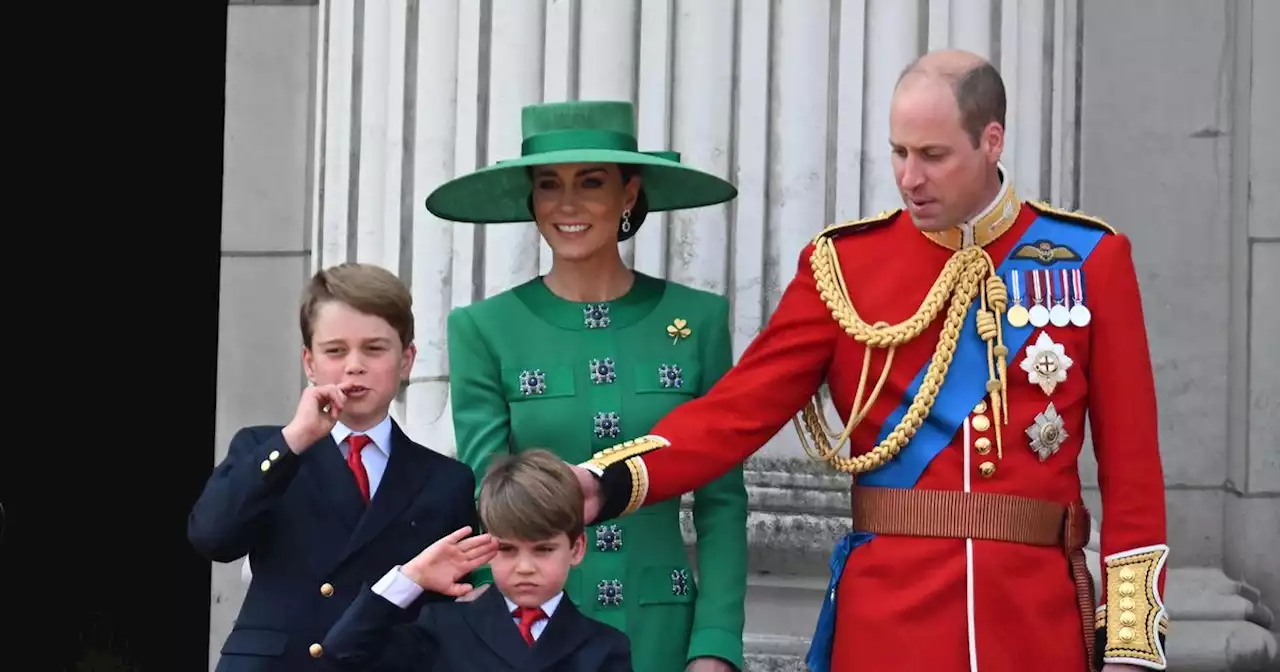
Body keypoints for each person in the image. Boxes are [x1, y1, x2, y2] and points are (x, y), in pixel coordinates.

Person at [573, 49, 1170, 672]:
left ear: (992, 141)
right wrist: (604, 479)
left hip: (1033, 623)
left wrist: (1131, 647)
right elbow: (734, 413)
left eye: (933, 156)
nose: (909, 177)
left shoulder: (1088, 259)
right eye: (898, 152)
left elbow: (1133, 473)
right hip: (888, 623)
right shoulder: (843, 267)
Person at [430, 100, 750, 672]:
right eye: (550, 185)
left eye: (592, 182)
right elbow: (488, 495)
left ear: (629, 193)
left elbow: (722, 503)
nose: (568, 204)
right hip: (534, 630)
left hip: (663, 628)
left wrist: (716, 646)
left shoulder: (697, 320)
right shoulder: (482, 329)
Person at [188, 262, 482, 671]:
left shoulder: (445, 480)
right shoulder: (266, 447)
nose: (354, 366)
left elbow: (446, 608)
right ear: (309, 362)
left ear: (407, 359)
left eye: (375, 349)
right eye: (335, 350)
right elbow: (212, 536)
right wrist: (295, 440)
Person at [320, 449, 634, 672]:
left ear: (577, 548)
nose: (525, 567)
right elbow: (344, 652)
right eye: (508, 549)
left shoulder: (605, 648)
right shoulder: (444, 628)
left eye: (543, 550)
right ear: (487, 546)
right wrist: (411, 577)